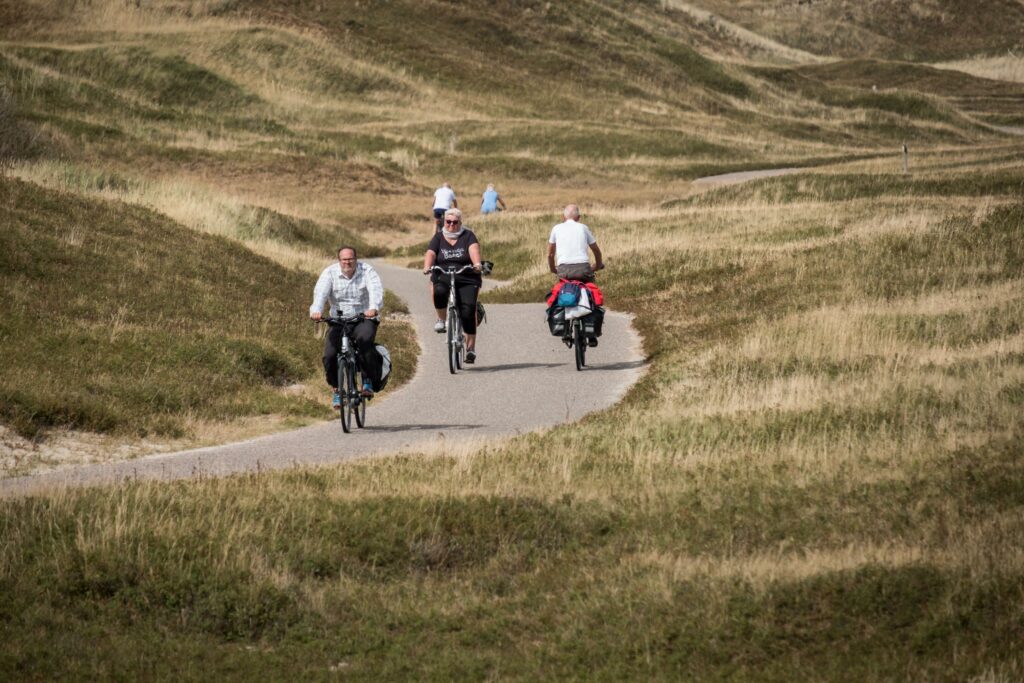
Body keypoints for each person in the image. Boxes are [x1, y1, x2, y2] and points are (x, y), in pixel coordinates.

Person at [309, 246, 385, 408]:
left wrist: (374, 307)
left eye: (350, 259)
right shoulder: (330, 273)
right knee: (329, 355)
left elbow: (375, 290)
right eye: (344, 259)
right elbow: (320, 293)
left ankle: (367, 380)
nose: (347, 262)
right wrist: (316, 310)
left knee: (364, 340)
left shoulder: (367, 271)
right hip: (338, 320)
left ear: (356, 259)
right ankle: (337, 390)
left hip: (363, 317)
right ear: (339, 261)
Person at [423, 208, 484, 363]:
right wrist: (427, 266)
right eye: (448, 222)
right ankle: (442, 320)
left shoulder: (468, 235)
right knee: (439, 292)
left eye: (454, 222)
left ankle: (470, 348)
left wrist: (476, 264)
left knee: (468, 310)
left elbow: (473, 249)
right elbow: (430, 253)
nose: (451, 225)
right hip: (443, 274)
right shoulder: (438, 237)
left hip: (467, 276)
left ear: (460, 222)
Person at [547, 204, 603, 283]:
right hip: (583, 269)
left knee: (562, 290)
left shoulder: (556, 228)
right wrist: (598, 266)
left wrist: (553, 269)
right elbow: (596, 251)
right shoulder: (583, 228)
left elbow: (550, 255)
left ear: (563, 217)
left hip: (563, 271)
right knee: (590, 290)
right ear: (579, 217)